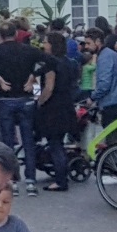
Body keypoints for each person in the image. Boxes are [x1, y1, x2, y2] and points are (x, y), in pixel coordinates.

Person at [0, 21, 43, 195]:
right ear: (16, 34)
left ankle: (11, 180)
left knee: (8, 142)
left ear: (0, 35)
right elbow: (50, 62)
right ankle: (31, 181)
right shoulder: (28, 50)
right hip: (26, 98)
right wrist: (33, 78)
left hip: (5, 98)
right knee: (28, 140)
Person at [35, 33, 79, 192]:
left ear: (52, 45)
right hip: (66, 104)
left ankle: (60, 180)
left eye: (46, 42)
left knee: (55, 144)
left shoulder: (50, 63)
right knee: (59, 142)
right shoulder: (69, 62)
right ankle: (62, 175)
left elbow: (49, 87)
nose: (43, 45)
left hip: (53, 107)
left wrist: (39, 102)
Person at [88, 27, 117, 121]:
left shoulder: (104, 58)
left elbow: (104, 84)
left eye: (88, 43)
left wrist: (92, 98)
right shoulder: (112, 54)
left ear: (98, 41)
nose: (86, 46)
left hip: (112, 104)